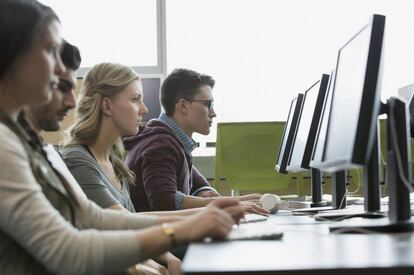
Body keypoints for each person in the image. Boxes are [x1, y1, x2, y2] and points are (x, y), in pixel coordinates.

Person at [0, 1, 242, 274]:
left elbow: (94, 218)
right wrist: (183, 228)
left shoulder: (32, 142)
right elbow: (67, 251)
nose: (59, 68)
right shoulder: (5, 144)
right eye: (49, 52)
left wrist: (201, 216)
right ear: (14, 56)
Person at [27, 41, 178, 275]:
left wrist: (167, 258)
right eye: (135, 99)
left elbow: (131, 226)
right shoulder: (77, 159)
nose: (144, 109)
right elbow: (120, 224)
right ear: (106, 105)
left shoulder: (116, 159)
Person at [124, 68, 265, 212]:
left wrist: (205, 193)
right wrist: (234, 202)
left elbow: (198, 183)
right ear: (183, 105)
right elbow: (165, 202)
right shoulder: (160, 146)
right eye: (207, 104)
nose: (213, 113)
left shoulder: (171, 140)